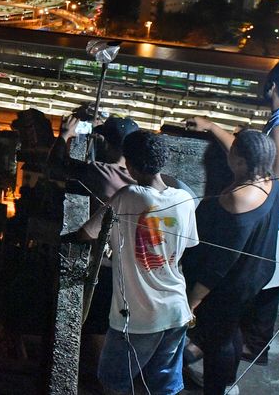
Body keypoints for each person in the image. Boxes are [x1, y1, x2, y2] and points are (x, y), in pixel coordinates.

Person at [187, 56, 279, 363]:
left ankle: (250, 346)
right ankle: (249, 345)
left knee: (257, 286)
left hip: (277, 220)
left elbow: (277, 177)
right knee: (263, 284)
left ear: (272, 85)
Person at [81, 130, 198, 395]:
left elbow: (87, 233)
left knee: (113, 381)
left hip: (137, 317)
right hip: (176, 311)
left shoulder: (127, 195)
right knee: (163, 387)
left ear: (130, 165)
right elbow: (186, 247)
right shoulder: (184, 198)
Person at [182, 130, 279, 395]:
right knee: (231, 328)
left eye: (234, 152)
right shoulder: (270, 180)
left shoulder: (240, 198)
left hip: (231, 283)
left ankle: (216, 388)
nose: (229, 155)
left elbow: (222, 259)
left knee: (218, 340)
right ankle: (228, 383)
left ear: (240, 161)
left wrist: (194, 299)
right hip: (255, 274)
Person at [51, 114, 140, 374]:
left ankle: (102, 381)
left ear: (109, 145)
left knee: (97, 324)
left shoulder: (99, 171)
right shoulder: (140, 180)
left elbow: (57, 167)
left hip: (105, 262)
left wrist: (64, 135)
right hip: (134, 263)